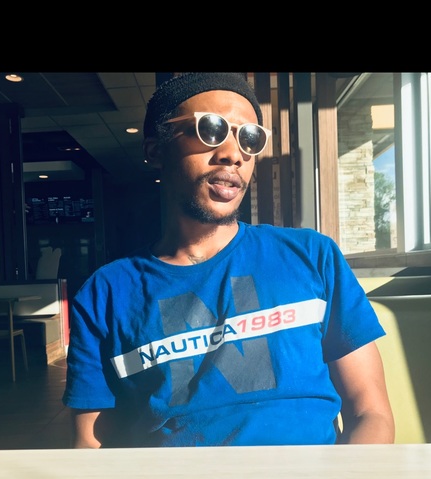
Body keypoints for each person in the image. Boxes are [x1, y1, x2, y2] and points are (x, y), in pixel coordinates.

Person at [62, 72, 395, 448]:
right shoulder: (107, 292)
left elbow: (370, 412)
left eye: (249, 138)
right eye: (210, 130)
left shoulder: (312, 256)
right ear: (156, 151)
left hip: (313, 478)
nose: (233, 154)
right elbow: (92, 446)